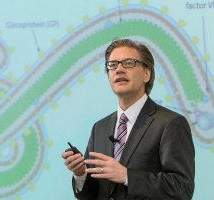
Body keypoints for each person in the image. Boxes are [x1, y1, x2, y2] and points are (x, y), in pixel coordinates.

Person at [62, 38, 195, 200]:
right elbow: (92, 195)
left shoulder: (170, 123)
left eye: (128, 63)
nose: (119, 69)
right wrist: (81, 174)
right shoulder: (100, 128)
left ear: (147, 74)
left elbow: (182, 188)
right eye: (112, 65)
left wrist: (126, 176)